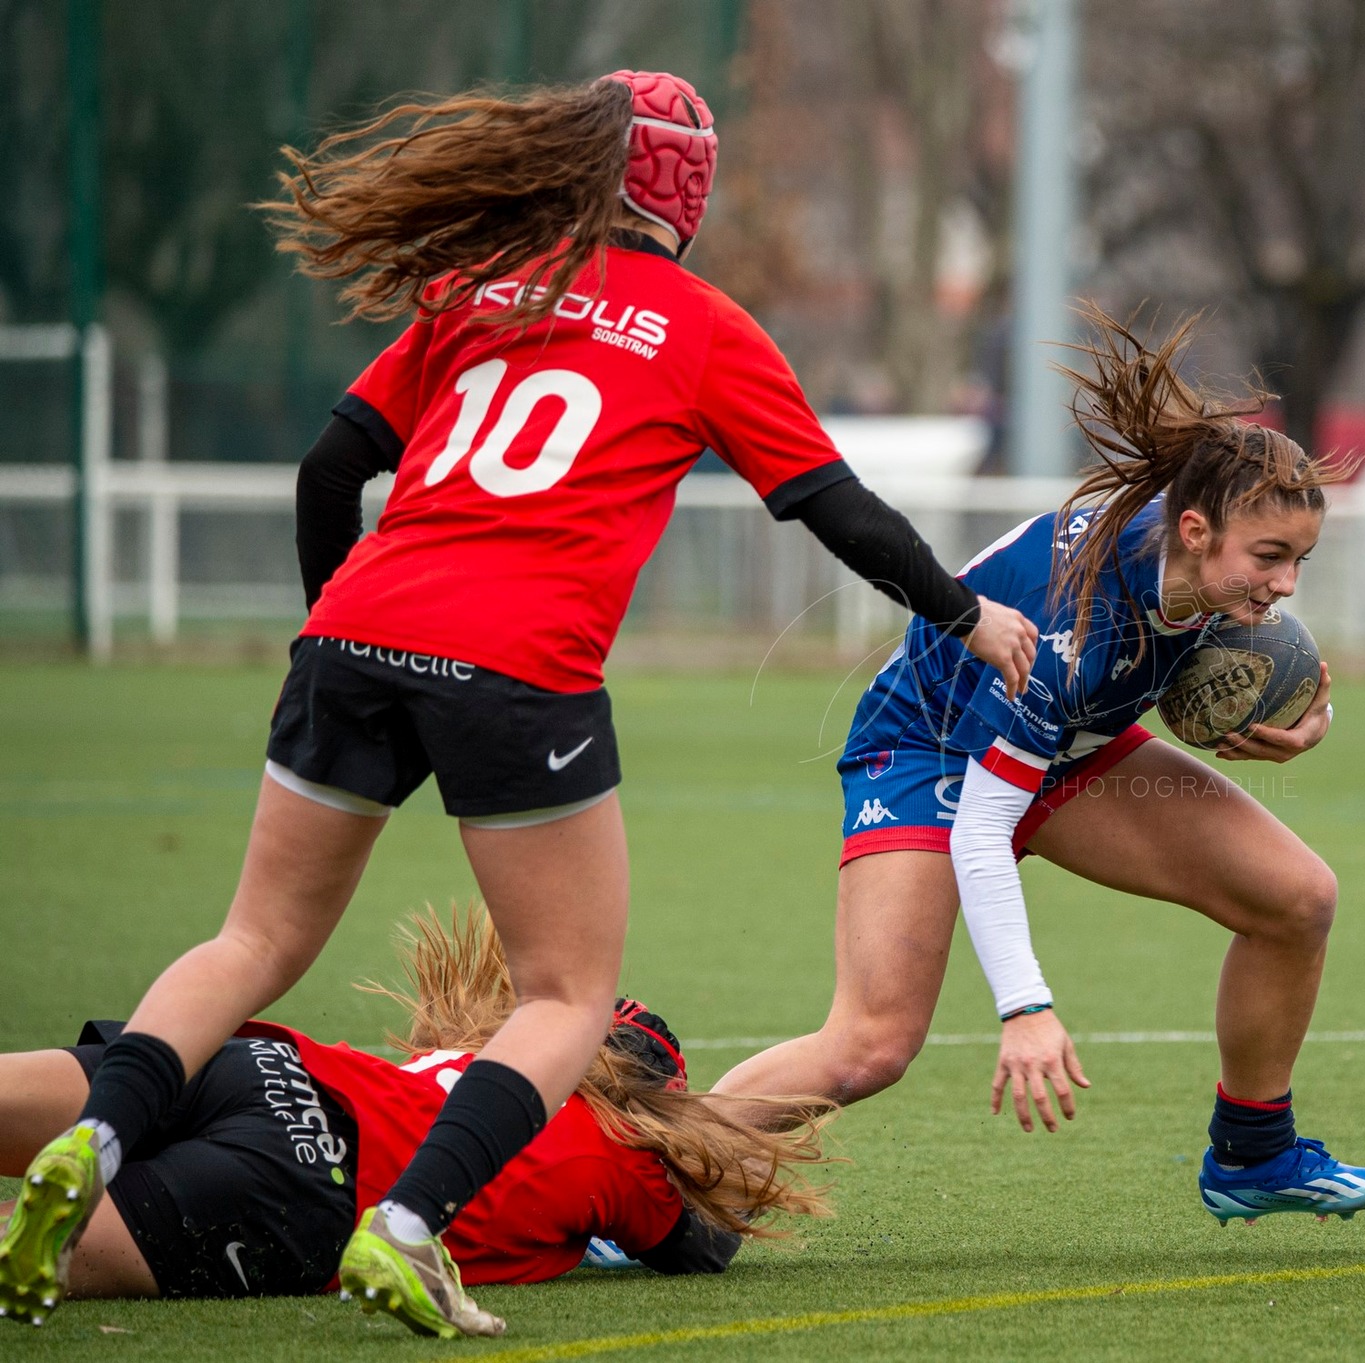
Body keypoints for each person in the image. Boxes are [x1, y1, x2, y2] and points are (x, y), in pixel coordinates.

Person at [0, 71, 1037, 1339]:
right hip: (516, 661)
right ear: (686, 196)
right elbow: (836, 508)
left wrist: (336, 627)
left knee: (254, 942)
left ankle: (97, 1136)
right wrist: (967, 614)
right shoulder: (704, 325)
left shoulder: (481, 282)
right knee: (563, 996)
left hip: (354, 633)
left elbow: (332, 466)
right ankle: (409, 1226)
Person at [713, 309, 1365, 1225]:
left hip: (1066, 747)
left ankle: (1252, 1155)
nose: (1283, 586)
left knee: (1297, 899)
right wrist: (1025, 1007)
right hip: (928, 750)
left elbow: (1210, 655)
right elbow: (984, 823)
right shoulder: (1075, 629)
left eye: (1299, 560)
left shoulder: (1202, 553)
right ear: (1194, 530)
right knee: (870, 1046)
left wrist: (1304, 714)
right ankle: (635, 1178)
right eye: (1270, 559)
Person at [0, 912, 829, 1321]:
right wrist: (720, 1146)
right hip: (310, 1178)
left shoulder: (482, 1061)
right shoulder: (628, 1157)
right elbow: (700, 1247)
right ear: (650, 1107)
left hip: (262, 1062)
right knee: (26, 1250)